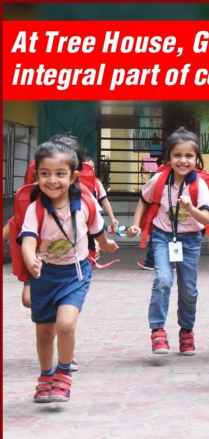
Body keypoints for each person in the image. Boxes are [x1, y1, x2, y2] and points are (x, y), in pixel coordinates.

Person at [19, 140, 118, 403]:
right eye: (45, 173)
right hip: (44, 276)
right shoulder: (35, 208)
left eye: (60, 174)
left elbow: (96, 229)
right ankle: (45, 376)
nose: (52, 180)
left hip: (75, 273)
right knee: (44, 333)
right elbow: (27, 241)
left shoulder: (85, 202)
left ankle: (63, 374)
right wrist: (30, 260)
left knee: (65, 324)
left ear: (73, 176)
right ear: (36, 175)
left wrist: (105, 242)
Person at [127, 129, 209, 355]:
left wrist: (190, 207)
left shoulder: (199, 185)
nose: (183, 160)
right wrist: (135, 224)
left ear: (197, 159)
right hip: (163, 236)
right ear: (169, 157)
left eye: (189, 156)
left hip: (190, 240)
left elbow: (205, 219)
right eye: (177, 155)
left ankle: (186, 331)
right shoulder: (159, 180)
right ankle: (158, 331)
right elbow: (144, 200)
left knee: (188, 290)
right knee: (163, 279)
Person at [83, 155, 119, 229]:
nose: (90, 169)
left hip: (94, 216)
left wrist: (112, 218)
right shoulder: (74, 183)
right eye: (87, 167)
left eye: (92, 167)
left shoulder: (97, 183)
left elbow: (105, 201)